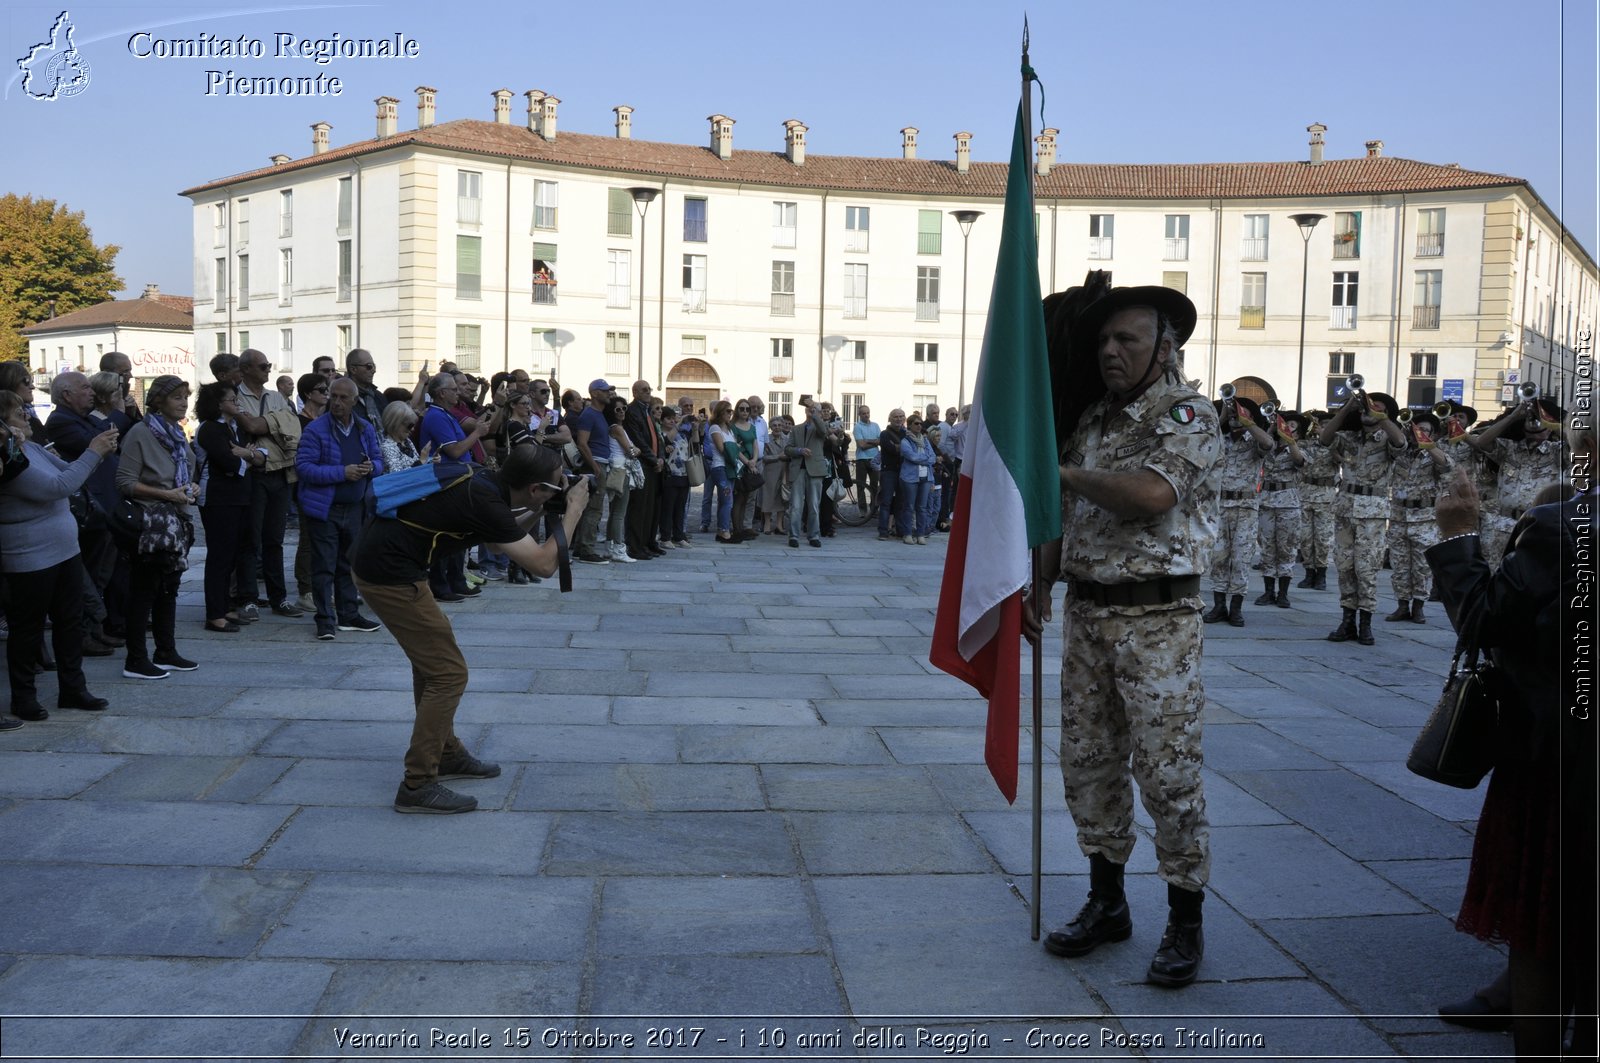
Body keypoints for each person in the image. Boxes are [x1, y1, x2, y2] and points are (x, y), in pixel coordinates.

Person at [1024, 286, 1221, 988]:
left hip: (1158, 622)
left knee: (1167, 774)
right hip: (1088, 614)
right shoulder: (1090, 421)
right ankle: (1107, 900)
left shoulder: (1189, 414)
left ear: (1165, 348)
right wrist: (1039, 581)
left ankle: (1185, 918)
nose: (1111, 351)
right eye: (1105, 341)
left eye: (1129, 341)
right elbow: (1059, 508)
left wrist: (1068, 473)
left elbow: (1150, 496)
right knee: (1089, 762)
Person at [1425, 419, 1596, 1061]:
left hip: (1560, 764)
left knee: (1543, 920)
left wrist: (1460, 535)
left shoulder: (1560, 528)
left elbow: (1484, 620)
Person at [352, 444, 590, 814]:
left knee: (433, 664)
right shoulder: (485, 499)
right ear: (534, 487)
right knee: (448, 674)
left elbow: (498, 538)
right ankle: (418, 784)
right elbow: (544, 566)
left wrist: (538, 509)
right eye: (557, 485)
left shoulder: (484, 481)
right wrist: (574, 510)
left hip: (387, 564)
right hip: (389, 576)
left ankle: (445, 753)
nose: (564, 489)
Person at [0, 392, 118, 719]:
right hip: (29, 556)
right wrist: (93, 451)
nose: (27, 416)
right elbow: (59, 486)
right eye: (18, 413)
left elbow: (69, 471)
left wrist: (97, 452)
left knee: (70, 622)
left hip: (65, 550)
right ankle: (23, 697)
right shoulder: (11, 461)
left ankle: (73, 689)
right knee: (28, 628)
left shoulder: (31, 447)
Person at [116, 375, 200, 680]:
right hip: (150, 522)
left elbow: (182, 472)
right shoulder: (141, 433)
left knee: (168, 589)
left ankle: (166, 651)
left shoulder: (176, 433)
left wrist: (190, 487)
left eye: (185, 396)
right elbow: (124, 483)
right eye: (176, 396)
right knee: (144, 591)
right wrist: (168, 494)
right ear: (159, 401)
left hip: (176, 520)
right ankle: (135, 659)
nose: (183, 402)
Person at [295, 378, 384, 641]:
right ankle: (325, 620)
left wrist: (371, 469)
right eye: (333, 396)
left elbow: (378, 459)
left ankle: (348, 615)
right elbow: (304, 468)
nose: (336, 402)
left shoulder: (364, 428)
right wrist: (342, 473)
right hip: (326, 507)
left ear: (354, 401)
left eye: (343, 398)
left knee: (348, 563)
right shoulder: (315, 429)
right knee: (324, 566)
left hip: (355, 507)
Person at [1319, 388, 1405, 645]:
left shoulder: (1387, 436)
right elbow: (1324, 440)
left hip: (1372, 511)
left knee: (1366, 569)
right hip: (1345, 507)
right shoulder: (1349, 436)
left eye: (1378, 407)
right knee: (1345, 567)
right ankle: (1347, 621)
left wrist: (1382, 418)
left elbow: (1401, 443)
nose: (1371, 411)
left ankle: (1365, 622)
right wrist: (1347, 408)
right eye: (1369, 407)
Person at [193, 383, 264, 633]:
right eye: (232, 400)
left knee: (232, 555)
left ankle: (224, 606)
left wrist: (245, 454)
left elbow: (251, 457)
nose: (237, 403)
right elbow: (229, 462)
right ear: (218, 404)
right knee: (220, 557)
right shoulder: (211, 429)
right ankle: (214, 613)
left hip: (237, 497)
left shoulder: (230, 428)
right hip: (218, 498)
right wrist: (247, 456)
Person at [1466, 395, 1567, 568]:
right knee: (1495, 573)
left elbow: (1578, 445)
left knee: (1533, 574)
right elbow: (1481, 442)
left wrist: (1548, 419)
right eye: (1531, 420)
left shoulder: (1557, 452)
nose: (1535, 423)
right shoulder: (1510, 449)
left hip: (1538, 525)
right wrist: (1513, 416)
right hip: (1503, 526)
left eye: (1539, 421)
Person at [1203, 394, 1271, 626]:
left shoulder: (1254, 441)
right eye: (1233, 413)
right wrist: (1223, 414)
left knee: (1241, 558)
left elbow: (1268, 444)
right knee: (1219, 557)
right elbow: (1204, 434)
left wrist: (1249, 422)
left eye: (1241, 413)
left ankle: (1236, 608)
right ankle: (1219, 605)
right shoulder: (1219, 439)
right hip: (1220, 506)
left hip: (1246, 508)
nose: (1235, 417)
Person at [1383, 410, 1452, 622]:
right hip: (1399, 515)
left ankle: (1419, 606)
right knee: (1400, 564)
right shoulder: (1400, 451)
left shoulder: (1435, 452)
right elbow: (1392, 444)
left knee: (1422, 566)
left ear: (1433, 434)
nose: (1419, 433)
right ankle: (1402, 605)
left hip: (1425, 518)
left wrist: (1428, 445)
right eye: (1417, 429)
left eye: (1425, 430)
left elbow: (1447, 465)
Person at [1252, 407, 1305, 609]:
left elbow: (1299, 461)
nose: (1287, 428)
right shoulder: (1268, 447)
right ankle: (1268, 591)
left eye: (1292, 426)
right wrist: (1273, 425)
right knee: (1267, 547)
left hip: (1288, 503)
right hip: (1266, 500)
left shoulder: (1300, 447)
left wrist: (1290, 440)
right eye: (1286, 425)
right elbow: (1261, 446)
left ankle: (1283, 593)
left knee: (1286, 548)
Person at [1294, 411, 1337, 590]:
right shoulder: (1304, 443)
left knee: (1323, 538)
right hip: (1305, 493)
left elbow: (1342, 459)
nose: (1321, 427)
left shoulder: (1335, 444)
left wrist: (1325, 436)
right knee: (1305, 537)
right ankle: (1308, 572)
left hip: (1325, 495)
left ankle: (1321, 574)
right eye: (1319, 424)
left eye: (1326, 424)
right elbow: (1297, 459)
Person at [624, 380, 665, 559]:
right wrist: (653, 458)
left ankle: (648, 542)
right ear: (635, 392)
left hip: (654, 464)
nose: (648, 392)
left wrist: (661, 458)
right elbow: (637, 439)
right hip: (642, 464)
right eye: (644, 390)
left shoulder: (648, 410)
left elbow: (658, 436)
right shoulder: (632, 411)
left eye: (649, 389)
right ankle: (635, 545)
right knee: (639, 508)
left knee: (652, 508)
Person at [785, 398, 828, 548]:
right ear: (805, 410)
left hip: (815, 470)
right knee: (796, 505)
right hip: (798, 469)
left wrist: (815, 414)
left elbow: (824, 432)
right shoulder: (796, 429)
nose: (811, 410)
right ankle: (794, 536)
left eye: (815, 409)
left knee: (814, 505)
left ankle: (814, 535)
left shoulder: (820, 427)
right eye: (810, 409)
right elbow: (787, 449)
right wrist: (799, 450)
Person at [896, 412, 937, 545]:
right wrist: (926, 459)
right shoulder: (905, 441)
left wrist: (925, 460)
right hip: (910, 478)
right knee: (909, 506)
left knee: (922, 507)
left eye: (920, 423)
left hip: (926, 477)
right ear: (910, 425)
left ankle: (920, 534)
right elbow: (911, 457)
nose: (919, 426)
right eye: (916, 424)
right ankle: (907, 533)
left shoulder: (925, 440)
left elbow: (933, 457)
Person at [657, 406, 693, 549]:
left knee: (680, 507)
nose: (672, 421)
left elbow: (694, 442)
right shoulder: (661, 433)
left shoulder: (682, 434)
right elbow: (667, 441)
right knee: (668, 507)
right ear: (662, 420)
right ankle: (665, 536)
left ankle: (679, 536)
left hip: (684, 473)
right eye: (668, 418)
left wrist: (696, 428)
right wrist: (679, 424)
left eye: (674, 418)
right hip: (669, 473)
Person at [704, 400, 738, 543]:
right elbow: (722, 448)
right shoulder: (715, 428)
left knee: (726, 500)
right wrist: (735, 454)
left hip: (729, 467)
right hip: (720, 467)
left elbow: (735, 449)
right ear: (720, 412)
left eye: (731, 412)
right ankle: (724, 530)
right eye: (728, 411)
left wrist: (747, 462)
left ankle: (721, 529)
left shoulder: (729, 429)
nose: (731, 414)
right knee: (727, 500)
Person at [728, 399, 760, 542]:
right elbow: (735, 447)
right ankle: (736, 529)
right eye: (742, 409)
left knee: (747, 498)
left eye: (747, 409)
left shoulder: (751, 427)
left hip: (750, 464)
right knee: (738, 499)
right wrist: (747, 462)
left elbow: (755, 445)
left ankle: (743, 528)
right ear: (737, 410)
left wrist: (754, 460)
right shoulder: (733, 427)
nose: (745, 412)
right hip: (740, 465)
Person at [852, 405, 881, 515]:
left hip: (875, 458)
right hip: (862, 459)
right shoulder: (857, 427)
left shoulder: (875, 425)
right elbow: (861, 445)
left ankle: (873, 509)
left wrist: (867, 441)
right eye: (863, 413)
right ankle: (863, 510)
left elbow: (880, 441)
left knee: (874, 485)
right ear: (859, 415)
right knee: (861, 485)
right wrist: (874, 442)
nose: (866, 415)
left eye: (867, 412)